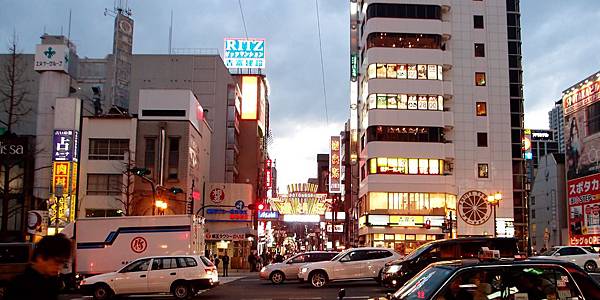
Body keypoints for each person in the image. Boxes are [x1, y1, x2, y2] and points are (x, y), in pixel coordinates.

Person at [4, 234, 72, 300]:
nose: (60, 267)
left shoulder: (53, 282)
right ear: (40, 257)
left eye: (63, 263)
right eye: (56, 261)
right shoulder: (20, 286)